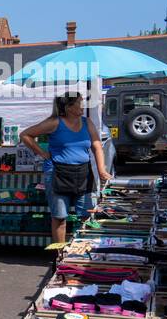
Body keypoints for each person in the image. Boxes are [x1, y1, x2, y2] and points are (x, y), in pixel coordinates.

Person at [21, 93, 112, 244]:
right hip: (57, 172)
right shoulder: (54, 123)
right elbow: (25, 135)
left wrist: (102, 170)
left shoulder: (87, 122)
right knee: (59, 217)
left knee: (86, 215)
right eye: (79, 103)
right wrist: (42, 153)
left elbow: (97, 146)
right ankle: (59, 254)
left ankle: (84, 250)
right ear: (69, 107)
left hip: (83, 172)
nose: (83, 105)